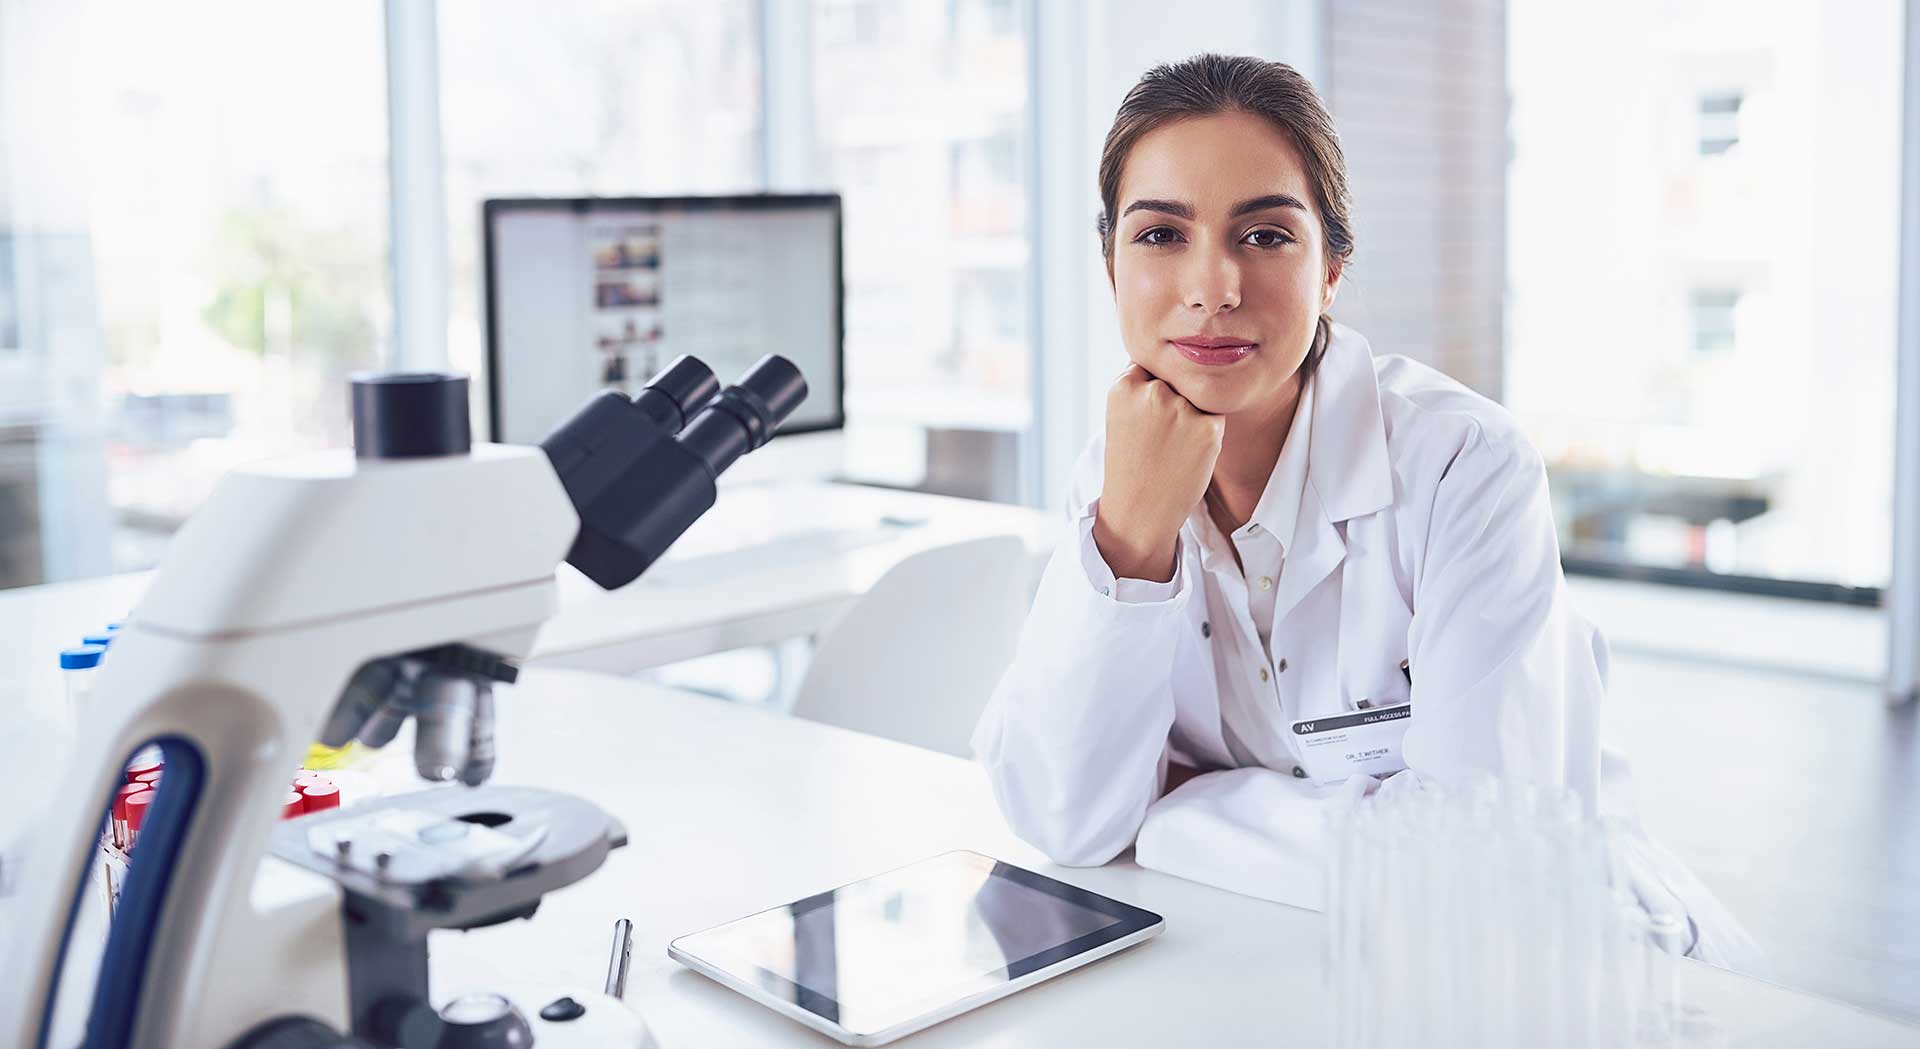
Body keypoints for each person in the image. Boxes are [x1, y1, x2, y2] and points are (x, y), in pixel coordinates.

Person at [970, 53, 1758, 968]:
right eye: (1160, 236)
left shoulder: (1463, 465)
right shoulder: (1114, 480)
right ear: (1110, 265)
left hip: (1575, 969)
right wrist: (1132, 541)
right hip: (1287, 955)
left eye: (1265, 236)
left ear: (1332, 267)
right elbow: (1064, 816)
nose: (1213, 286)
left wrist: (1173, 811)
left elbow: (1475, 864)